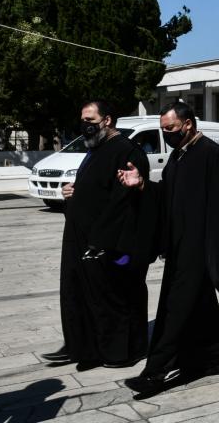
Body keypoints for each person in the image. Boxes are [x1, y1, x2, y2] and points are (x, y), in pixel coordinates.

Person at [118, 102, 219, 395]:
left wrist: (215, 252)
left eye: (171, 128)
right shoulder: (179, 155)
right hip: (179, 245)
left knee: (174, 309)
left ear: (188, 124)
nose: (167, 134)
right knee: (200, 303)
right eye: (163, 129)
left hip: (199, 248)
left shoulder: (212, 155)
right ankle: (216, 358)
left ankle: (155, 372)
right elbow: (168, 195)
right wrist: (142, 185)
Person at [40, 100, 155, 370]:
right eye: (83, 121)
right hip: (81, 237)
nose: (85, 126)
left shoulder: (127, 151)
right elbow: (94, 188)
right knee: (79, 293)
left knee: (115, 296)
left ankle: (124, 351)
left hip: (110, 242)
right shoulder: (95, 149)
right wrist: (71, 192)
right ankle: (82, 346)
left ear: (107, 120)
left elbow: (124, 202)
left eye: (90, 120)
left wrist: (102, 241)